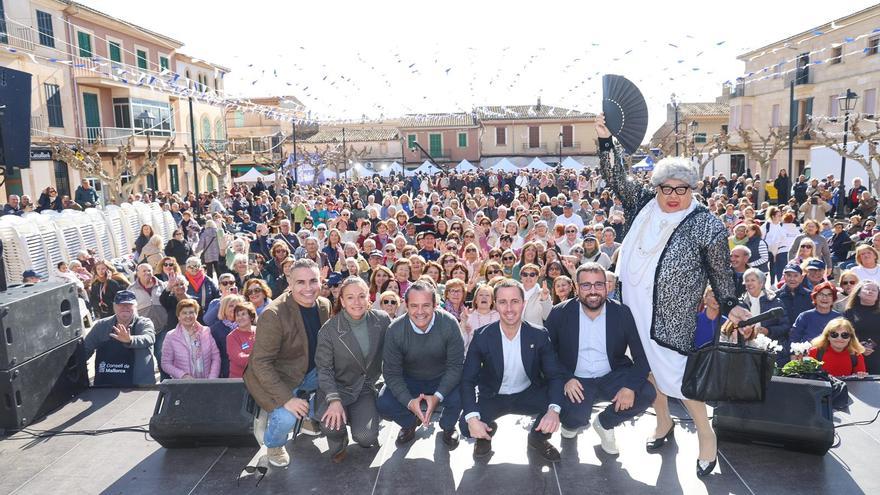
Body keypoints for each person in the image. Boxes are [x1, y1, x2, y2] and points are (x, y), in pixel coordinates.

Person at [595, 115, 749, 478]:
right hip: (633, 308)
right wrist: (606, 141)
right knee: (647, 373)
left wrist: (731, 303)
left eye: (682, 189)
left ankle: (706, 436)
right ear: (658, 187)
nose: (674, 195)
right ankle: (663, 424)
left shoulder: (706, 223)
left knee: (678, 377)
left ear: (692, 189)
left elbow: (720, 271)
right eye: (668, 188)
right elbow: (617, 177)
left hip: (671, 315)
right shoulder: (643, 203)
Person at [544, 264, 655, 454]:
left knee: (645, 392)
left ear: (607, 286)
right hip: (576, 380)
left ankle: (605, 423)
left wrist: (629, 387)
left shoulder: (622, 313)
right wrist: (565, 378)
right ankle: (571, 424)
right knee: (574, 420)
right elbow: (547, 355)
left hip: (612, 375)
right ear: (576, 287)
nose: (593, 291)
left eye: (598, 285)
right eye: (586, 285)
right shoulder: (559, 313)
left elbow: (642, 356)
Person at [460, 278, 564, 462]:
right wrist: (473, 419)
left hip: (528, 393)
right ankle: (485, 432)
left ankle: (537, 438)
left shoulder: (539, 335)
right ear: (496, 305)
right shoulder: (482, 336)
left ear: (523, 304)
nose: (509, 308)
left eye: (514, 301)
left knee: (565, 405)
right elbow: (467, 380)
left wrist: (553, 411)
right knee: (465, 424)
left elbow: (554, 376)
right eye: (502, 302)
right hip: (493, 396)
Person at [243, 258, 332, 468]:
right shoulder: (273, 315)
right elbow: (261, 364)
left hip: (308, 371)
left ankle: (308, 413)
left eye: (313, 281)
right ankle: (274, 443)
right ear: (290, 284)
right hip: (277, 377)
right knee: (286, 418)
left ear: (321, 281)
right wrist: (287, 400)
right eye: (301, 282)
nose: (308, 288)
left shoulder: (324, 305)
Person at [376, 280, 464, 449]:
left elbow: (456, 366)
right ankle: (410, 422)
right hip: (410, 379)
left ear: (435, 305)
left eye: (426, 305)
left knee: (464, 393)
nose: (420, 312)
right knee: (384, 403)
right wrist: (409, 403)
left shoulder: (449, 323)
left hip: (442, 377)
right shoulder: (395, 329)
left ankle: (448, 426)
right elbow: (391, 373)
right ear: (406, 305)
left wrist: (438, 396)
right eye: (414, 306)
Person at [315, 277, 391, 463]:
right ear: (342, 301)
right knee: (331, 427)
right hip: (337, 387)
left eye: (361, 296)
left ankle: (362, 420)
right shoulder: (329, 330)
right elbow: (324, 369)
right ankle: (340, 440)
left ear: (368, 298)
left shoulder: (381, 320)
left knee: (366, 438)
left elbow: (395, 352)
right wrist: (333, 400)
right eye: (350, 297)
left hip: (365, 387)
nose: (356, 302)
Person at [83, 290, 156, 386]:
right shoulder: (101, 325)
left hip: (138, 386)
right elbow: (85, 349)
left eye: (129, 304)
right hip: (105, 386)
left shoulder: (144, 323)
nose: (125, 307)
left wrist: (130, 340)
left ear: (135, 306)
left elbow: (149, 338)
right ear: (114, 306)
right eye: (121, 304)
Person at [739, 268, 790, 364]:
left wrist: (769, 331)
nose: (749, 283)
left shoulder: (774, 302)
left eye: (753, 280)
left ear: (761, 283)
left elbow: (785, 326)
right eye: (747, 281)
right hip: (747, 349)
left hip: (770, 349)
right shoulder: (740, 304)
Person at [161, 299, 220, 379]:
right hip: (183, 386)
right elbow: (166, 363)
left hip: (206, 383)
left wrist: (212, 378)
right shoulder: (171, 336)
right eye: (184, 313)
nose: (188, 316)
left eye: (191, 312)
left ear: (196, 314)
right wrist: (182, 375)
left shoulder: (206, 331)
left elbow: (216, 357)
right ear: (178, 316)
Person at [789, 281, 843, 349]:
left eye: (829, 295)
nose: (825, 298)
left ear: (833, 299)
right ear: (815, 297)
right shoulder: (804, 317)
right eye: (821, 294)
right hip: (809, 356)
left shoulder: (839, 318)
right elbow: (794, 339)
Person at [843, 281, 880, 373]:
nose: (870, 292)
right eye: (867, 289)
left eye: (874, 290)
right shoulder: (849, 312)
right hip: (855, 354)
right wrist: (859, 346)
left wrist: (874, 345)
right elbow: (846, 333)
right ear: (858, 293)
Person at [210, 294, 245, 378]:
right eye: (231, 306)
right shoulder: (215, 329)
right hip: (227, 372)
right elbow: (216, 355)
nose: (234, 308)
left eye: (237, 306)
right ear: (224, 308)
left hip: (248, 370)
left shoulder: (249, 325)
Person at [227, 302, 258, 379]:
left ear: (251, 317)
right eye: (238, 315)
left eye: (243, 314)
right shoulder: (232, 337)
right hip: (239, 380)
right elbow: (239, 359)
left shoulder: (260, 331)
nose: (240, 318)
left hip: (259, 378)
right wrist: (261, 357)